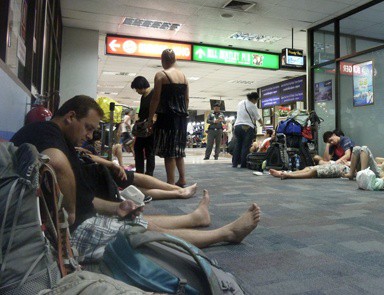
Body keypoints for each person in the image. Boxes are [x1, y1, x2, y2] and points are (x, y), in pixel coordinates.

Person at [11, 95, 261, 263]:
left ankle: (195, 218)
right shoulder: (46, 132)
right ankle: (227, 234)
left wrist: (115, 206)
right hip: (68, 235)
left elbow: (82, 197)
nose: (88, 135)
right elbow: (57, 164)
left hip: (72, 221)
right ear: (71, 117)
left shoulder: (53, 135)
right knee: (142, 230)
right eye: (87, 127)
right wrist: (71, 214)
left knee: (133, 217)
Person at [77, 139, 198, 200]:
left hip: (92, 182)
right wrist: (113, 165)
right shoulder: (69, 150)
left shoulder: (66, 148)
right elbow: (88, 157)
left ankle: (178, 192)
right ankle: (178, 191)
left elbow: (87, 156)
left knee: (137, 190)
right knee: (135, 179)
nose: (88, 135)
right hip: (96, 175)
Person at [149, 49, 189, 186]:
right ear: (175, 60)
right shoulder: (184, 76)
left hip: (167, 117)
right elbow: (186, 99)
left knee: (169, 152)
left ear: (163, 60)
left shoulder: (161, 75)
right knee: (179, 151)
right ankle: (182, 178)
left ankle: (170, 182)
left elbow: (155, 99)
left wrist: (150, 118)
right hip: (181, 119)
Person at [131, 76, 155, 176]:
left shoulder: (154, 94)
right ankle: (139, 172)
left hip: (151, 128)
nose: (136, 91)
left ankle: (149, 174)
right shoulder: (143, 96)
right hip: (143, 127)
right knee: (138, 148)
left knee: (149, 152)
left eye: (137, 89)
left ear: (141, 86)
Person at [232, 92, 263, 168]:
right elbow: (258, 118)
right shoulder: (252, 105)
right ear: (253, 99)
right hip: (247, 127)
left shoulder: (240, 103)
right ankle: (243, 164)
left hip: (237, 127)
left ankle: (235, 163)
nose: (256, 102)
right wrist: (263, 125)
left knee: (238, 145)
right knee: (245, 146)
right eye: (256, 100)